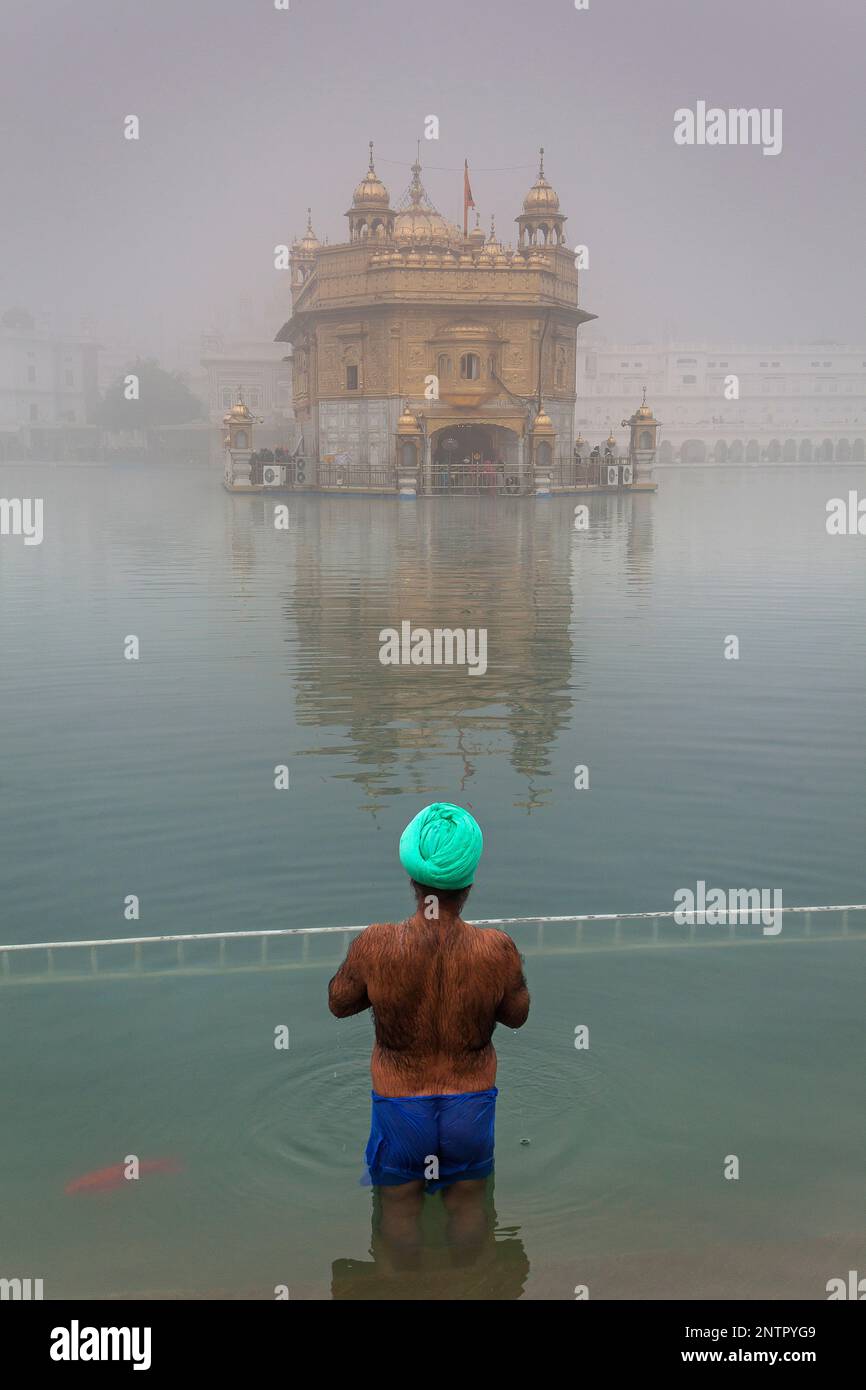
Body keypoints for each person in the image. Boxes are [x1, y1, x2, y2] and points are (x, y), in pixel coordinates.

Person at [328, 802, 529, 1221]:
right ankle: (471, 1281)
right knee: (470, 1210)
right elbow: (516, 1015)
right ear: (469, 880)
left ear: (412, 874)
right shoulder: (497, 950)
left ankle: (401, 1280)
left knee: (398, 1213)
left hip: (401, 1107)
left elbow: (339, 1003)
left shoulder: (376, 944)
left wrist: (384, 986)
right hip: (469, 1108)